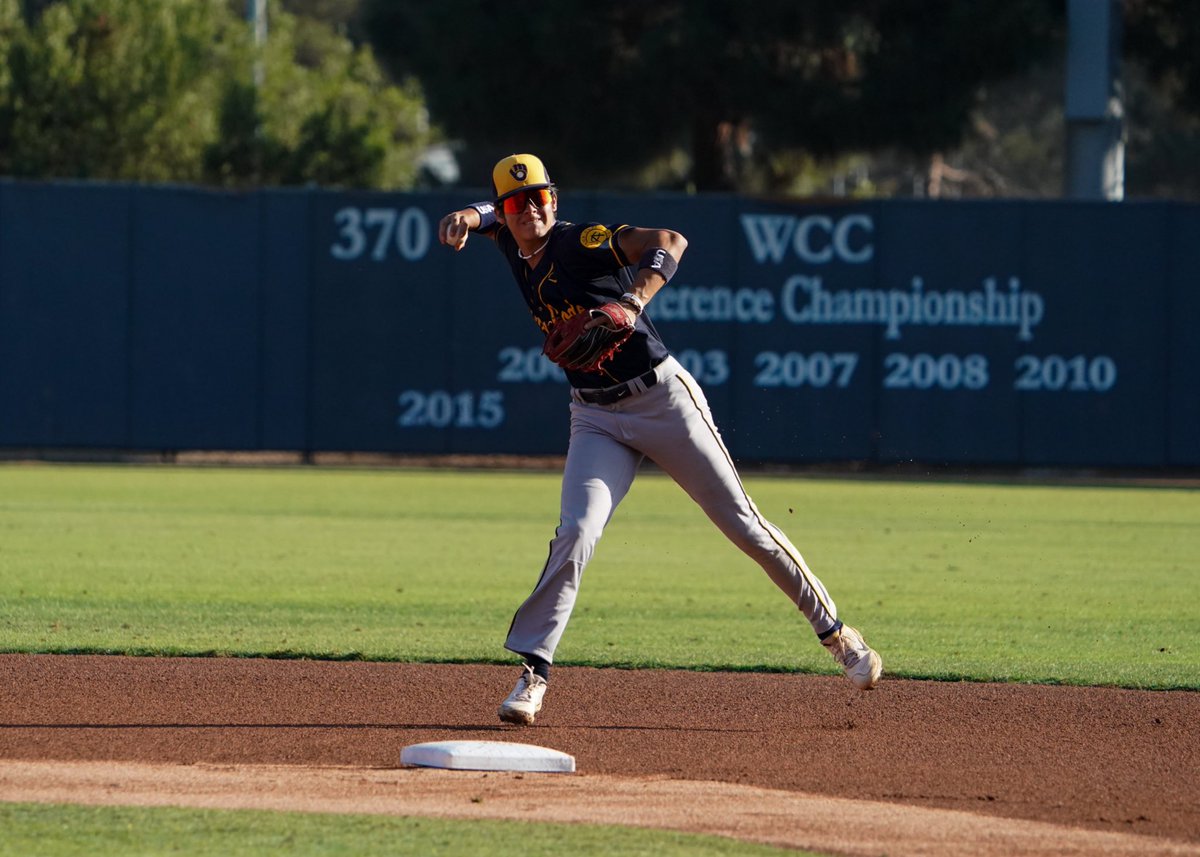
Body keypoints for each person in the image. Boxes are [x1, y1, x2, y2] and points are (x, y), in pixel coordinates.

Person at [438, 153, 882, 726]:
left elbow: (670, 240)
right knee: (577, 531)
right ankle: (534, 673)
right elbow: (492, 220)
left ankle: (837, 634)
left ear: (555, 199)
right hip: (595, 417)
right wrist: (470, 217)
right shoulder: (507, 237)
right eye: (516, 203)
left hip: (662, 401)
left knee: (744, 524)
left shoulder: (578, 243)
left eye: (539, 198)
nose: (530, 210)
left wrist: (630, 302)